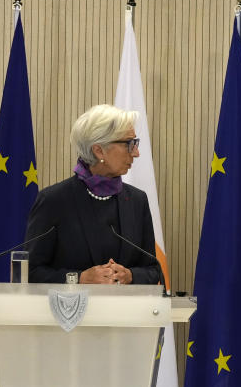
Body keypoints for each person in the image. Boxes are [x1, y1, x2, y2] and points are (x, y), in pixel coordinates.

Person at [25, 104, 162, 285]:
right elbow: (30, 272)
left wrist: (130, 276)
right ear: (99, 150)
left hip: (126, 312)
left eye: (135, 143)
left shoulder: (137, 200)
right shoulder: (54, 201)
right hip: (69, 312)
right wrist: (79, 278)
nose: (136, 153)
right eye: (129, 144)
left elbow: (153, 270)